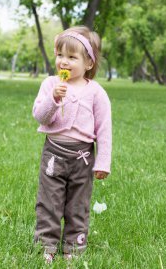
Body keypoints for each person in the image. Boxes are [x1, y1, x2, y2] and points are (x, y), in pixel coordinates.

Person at [32, 26, 112, 263]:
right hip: (54, 155)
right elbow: (41, 116)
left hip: (82, 158)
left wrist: (103, 161)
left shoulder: (96, 93)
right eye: (60, 55)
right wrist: (54, 99)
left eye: (72, 57)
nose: (63, 62)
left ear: (88, 63)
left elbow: (104, 130)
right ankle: (46, 246)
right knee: (49, 202)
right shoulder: (50, 84)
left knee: (78, 205)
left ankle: (73, 249)